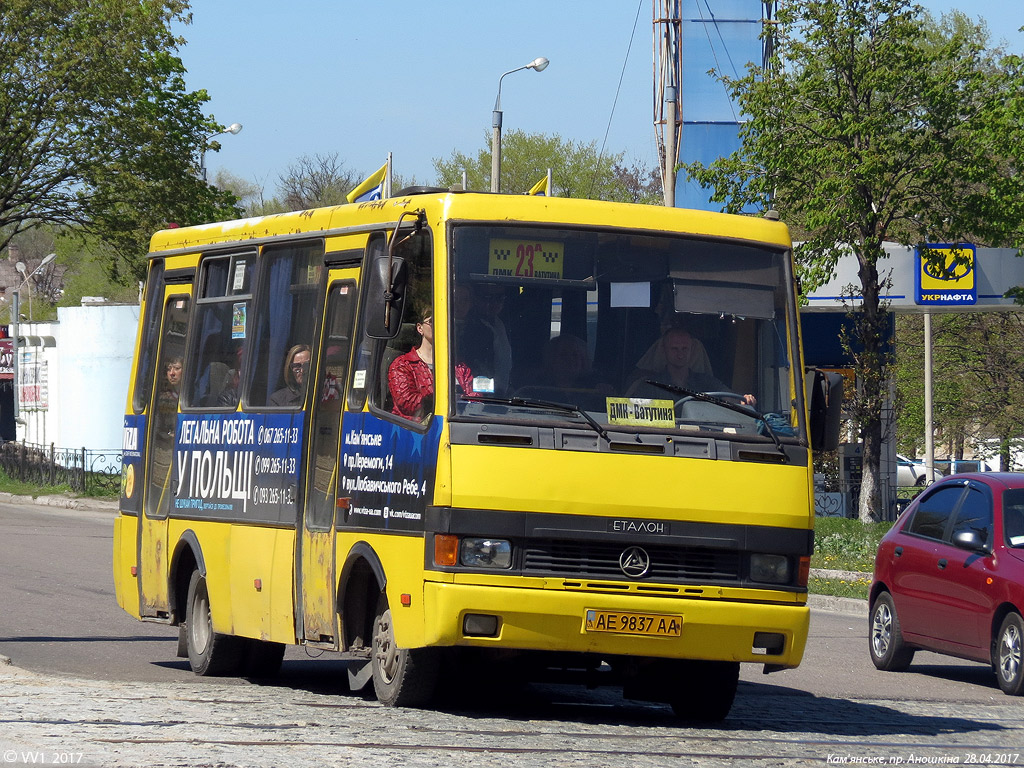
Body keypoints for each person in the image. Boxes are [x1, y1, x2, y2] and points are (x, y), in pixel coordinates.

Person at [627, 326, 756, 405]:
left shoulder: (706, 383)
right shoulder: (650, 386)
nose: (680, 354)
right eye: (674, 349)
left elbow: (727, 396)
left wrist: (743, 400)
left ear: (692, 350)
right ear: (664, 350)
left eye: (684, 349)